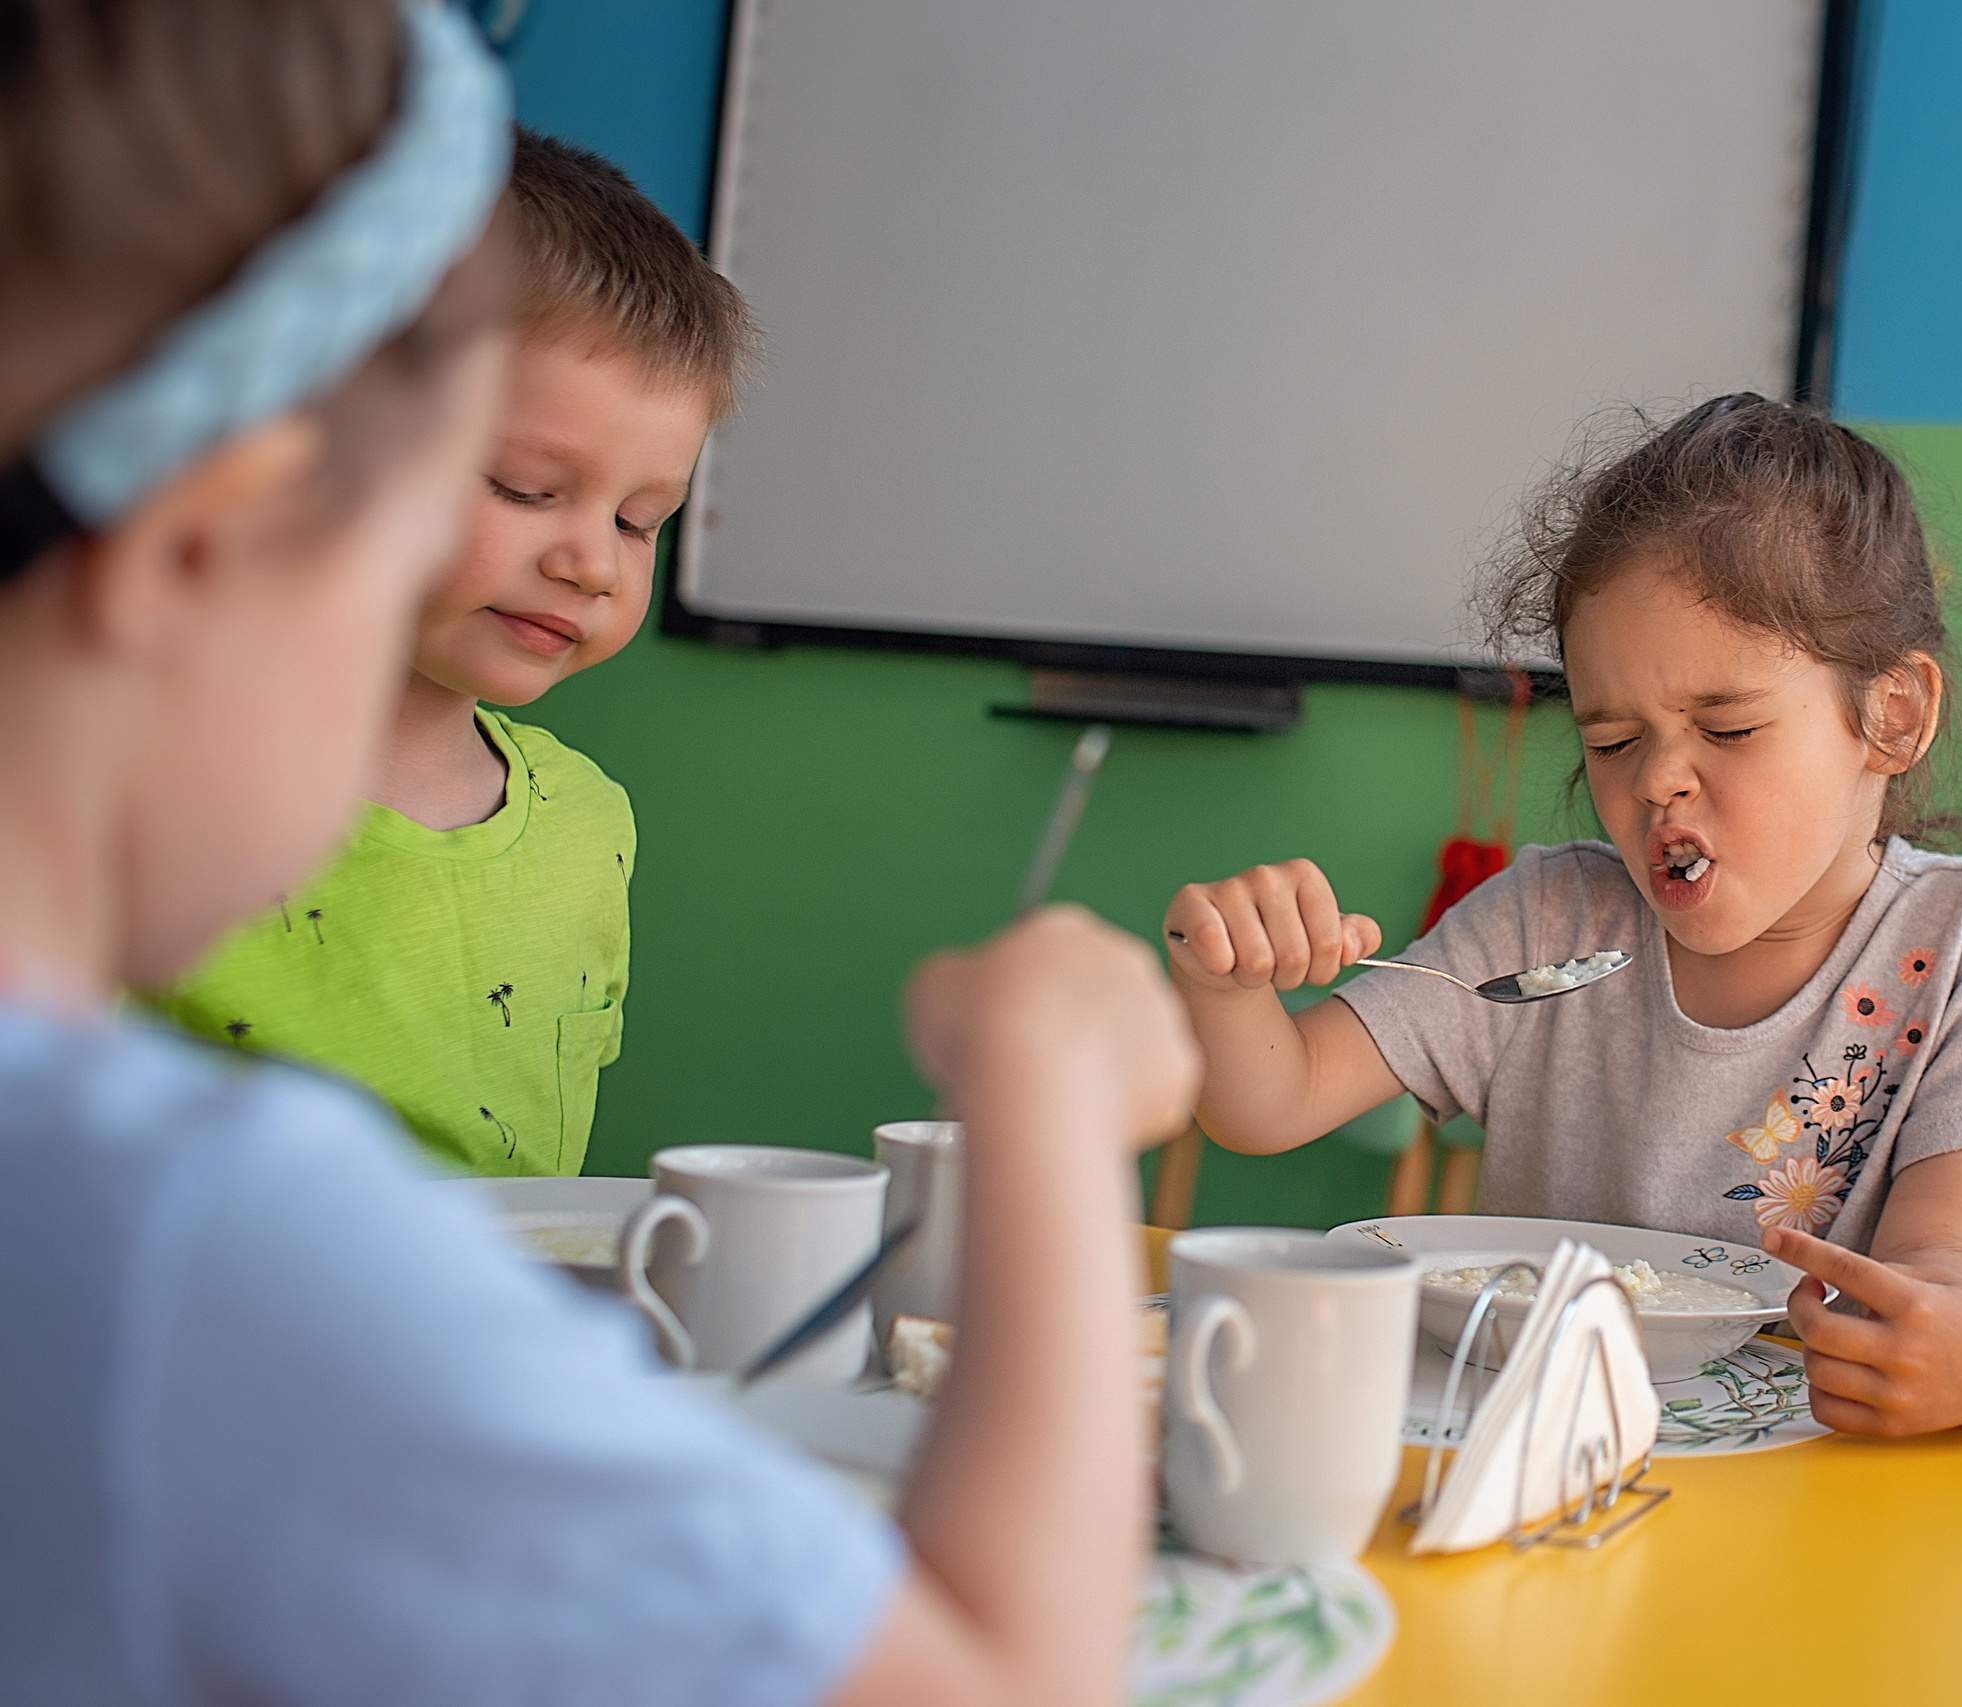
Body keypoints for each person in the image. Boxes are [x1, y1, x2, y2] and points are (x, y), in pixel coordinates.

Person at [0, 6, 1194, 1706]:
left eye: (641, 521)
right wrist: (1051, 1114)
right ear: (199, 548)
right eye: (436, 526)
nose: (581, 563)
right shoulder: (195, 1245)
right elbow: (1003, 1685)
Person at [1163, 395, 1962, 1437]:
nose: (1657, 781)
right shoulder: (1547, 919)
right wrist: (1225, 983)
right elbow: (1269, 1102)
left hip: (1802, 1470)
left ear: (1893, 715)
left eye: (1727, 728)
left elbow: (1945, 1269)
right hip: (1531, 1450)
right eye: (1612, 741)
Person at [144, 127, 746, 1178]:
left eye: (639, 522)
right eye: (525, 488)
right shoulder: (142, 788)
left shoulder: (591, 825)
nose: (591, 564)